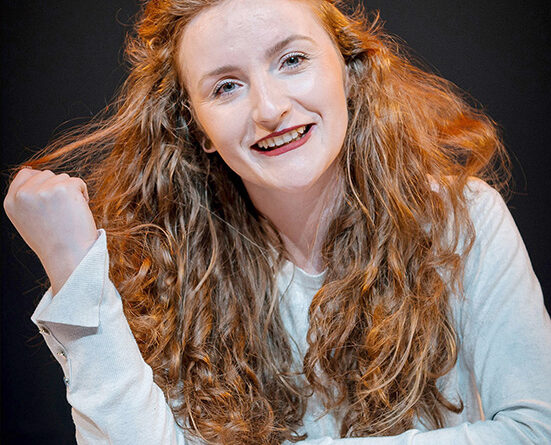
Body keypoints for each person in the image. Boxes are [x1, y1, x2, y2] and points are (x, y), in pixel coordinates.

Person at [4, 0, 551, 443]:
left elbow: (536, 432)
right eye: (226, 86)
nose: (269, 109)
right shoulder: (168, 270)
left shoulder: (462, 219)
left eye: (292, 60)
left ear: (350, 71)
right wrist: (74, 271)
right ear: (198, 129)